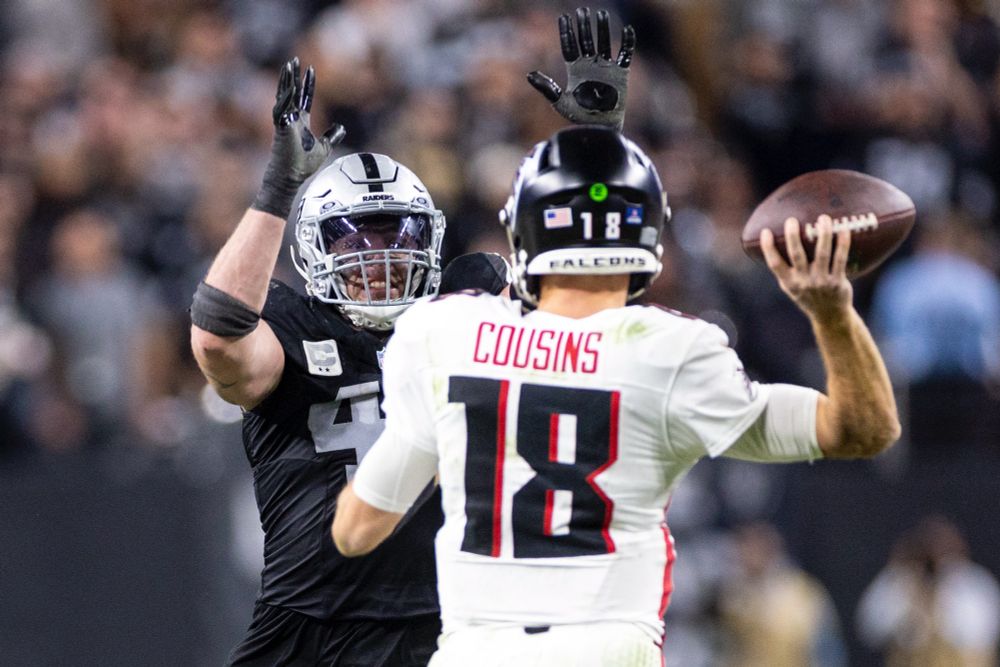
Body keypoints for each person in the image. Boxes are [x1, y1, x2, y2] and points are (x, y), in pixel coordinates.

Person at [331, 125, 901, 666]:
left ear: (525, 230)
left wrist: (460, 440)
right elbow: (863, 430)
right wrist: (832, 311)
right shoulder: (672, 349)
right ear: (649, 233)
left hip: (475, 651)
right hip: (605, 648)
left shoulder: (443, 333)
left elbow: (355, 531)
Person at [191, 8, 635, 665]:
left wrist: (598, 152)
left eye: (397, 236)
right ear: (314, 248)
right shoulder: (292, 326)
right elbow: (217, 340)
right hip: (314, 628)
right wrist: (276, 192)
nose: (381, 258)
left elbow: (591, 300)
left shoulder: (469, 304)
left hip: (450, 626)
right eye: (358, 239)